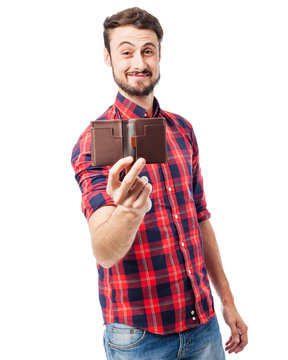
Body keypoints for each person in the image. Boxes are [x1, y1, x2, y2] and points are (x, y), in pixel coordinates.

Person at [71, 7, 248, 360]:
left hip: (204, 325)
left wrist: (227, 302)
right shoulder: (92, 143)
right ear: (108, 58)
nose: (138, 61)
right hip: (139, 339)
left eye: (147, 50)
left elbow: (200, 218)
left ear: (159, 54)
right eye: (126, 51)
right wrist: (127, 212)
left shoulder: (182, 130)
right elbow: (104, 251)